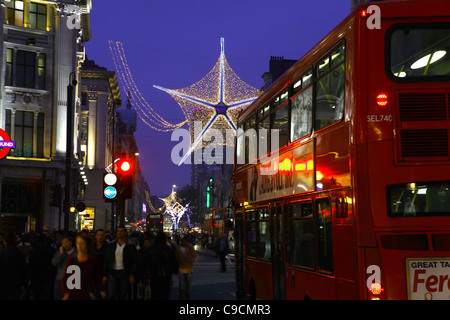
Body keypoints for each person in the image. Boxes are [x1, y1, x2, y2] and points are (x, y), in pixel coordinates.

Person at [61, 233, 105, 300]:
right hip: (75, 293)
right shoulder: (72, 260)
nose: (79, 246)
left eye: (82, 243)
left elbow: (97, 277)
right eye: (78, 243)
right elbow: (65, 278)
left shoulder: (93, 259)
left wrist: (101, 290)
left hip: (88, 293)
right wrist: (66, 293)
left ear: (87, 245)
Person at [103, 226, 137, 300]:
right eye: (118, 231)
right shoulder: (112, 246)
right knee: (111, 293)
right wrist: (105, 274)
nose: (120, 233)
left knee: (124, 293)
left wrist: (132, 274)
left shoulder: (130, 246)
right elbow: (107, 260)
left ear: (125, 233)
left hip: (125, 272)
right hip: (113, 271)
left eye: (121, 231)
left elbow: (134, 261)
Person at [145, 232, 178, 300]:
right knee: (164, 294)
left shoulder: (151, 249)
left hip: (154, 274)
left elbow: (145, 262)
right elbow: (174, 263)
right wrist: (173, 271)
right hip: (165, 275)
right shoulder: (168, 249)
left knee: (154, 294)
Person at [0, 232, 26, 300]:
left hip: (3, 283)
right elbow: (23, 270)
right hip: (16, 283)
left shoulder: (2, 253)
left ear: (4, 240)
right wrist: (24, 283)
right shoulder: (20, 254)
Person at [52, 234, 77, 300]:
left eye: (66, 242)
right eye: (62, 243)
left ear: (71, 242)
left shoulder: (76, 253)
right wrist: (61, 254)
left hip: (73, 279)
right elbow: (54, 263)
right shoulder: (60, 252)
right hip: (61, 278)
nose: (64, 244)